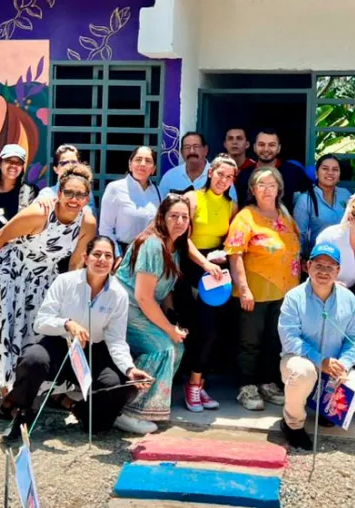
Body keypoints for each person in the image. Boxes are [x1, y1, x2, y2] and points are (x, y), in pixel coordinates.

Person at [1, 236, 153, 441]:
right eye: (96, 254)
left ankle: (79, 409)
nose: (102, 260)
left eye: (108, 255)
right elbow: (41, 321)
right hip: (59, 344)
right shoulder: (65, 281)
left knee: (123, 387)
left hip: (94, 350)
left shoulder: (118, 294)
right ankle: (22, 414)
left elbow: (116, 339)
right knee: (32, 360)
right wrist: (67, 324)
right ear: (85, 257)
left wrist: (130, 369)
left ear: (115, 261)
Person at [0, 164, 97, 390]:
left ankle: (27, 387)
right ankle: (7, 394)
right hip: (7, 273)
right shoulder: (39, 213)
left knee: (34, 333)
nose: (73, 199)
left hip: (42, 279)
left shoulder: (87, 223)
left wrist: (70, 297)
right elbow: (1, 237)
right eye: (68, 192)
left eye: (80, 194)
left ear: (87, 198)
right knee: (7, 333)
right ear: (58, 194)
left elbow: (74, 263)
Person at [277, 242, 355, 450]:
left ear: (338, 271)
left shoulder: (349, 299)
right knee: (303, 372)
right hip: (301, 362)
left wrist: (344, 365)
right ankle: (293, 423)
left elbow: (354, 338)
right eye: (319, 265)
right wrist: (321, 361)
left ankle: (324, 409)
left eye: (330, 267)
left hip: (335, 366)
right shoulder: (294, 297)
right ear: (308, 266)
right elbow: (289, 338)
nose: (324, 271)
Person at [114, 194, 194, 433]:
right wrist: (168, 329)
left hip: (145, 307)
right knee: (162, 347)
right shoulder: (152, 245)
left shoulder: (174, 246)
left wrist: (171, 316)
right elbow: (143, 296)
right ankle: (127, 409)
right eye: (174, 216)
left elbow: (163, 288)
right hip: (125, 308)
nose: (179, 221)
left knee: (177, 347)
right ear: (162, 217)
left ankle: (151, 405)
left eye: (184, 217)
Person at [226, 166, 302, 411]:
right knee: (250, 341)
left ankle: (267, 382)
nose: (267, 190)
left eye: (272, 185)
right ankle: (246, 386)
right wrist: (244, 288)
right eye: (262, 185)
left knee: (274, 339)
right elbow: (235, 254)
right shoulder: (246, 216)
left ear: (279, 188)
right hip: (255, 290)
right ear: (252, 189)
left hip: (285, 290)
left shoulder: (285, 214)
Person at [183, 154, 239, 412]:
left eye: (229, 177)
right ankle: (191, 384)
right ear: (210, 173)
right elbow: (184, 239)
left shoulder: (231, 206)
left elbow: (231, 241)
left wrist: (221, 257)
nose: (224, 180)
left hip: (218, 268)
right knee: (200, 329)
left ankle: (200, 383)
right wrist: (204, 263)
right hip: (194, 267)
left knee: (215, 330)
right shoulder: (192, 198)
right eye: (220, 174)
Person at [99, 145, 161, 253]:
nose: (142, 164)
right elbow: (105, 228)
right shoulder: (115, 188)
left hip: (150, 254)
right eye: (138, 159)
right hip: (123, 252)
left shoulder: (158, 192)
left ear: (153, 169)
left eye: (148, 161)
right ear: (130, 164)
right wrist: (117, 254)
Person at [234, 129, 310, 209]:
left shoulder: (294, 172)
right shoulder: (244, 175)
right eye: (261, 144)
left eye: (271, 145)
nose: (266, 149)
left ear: (279, 148)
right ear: (254, 147)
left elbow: (306, 205)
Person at [293, 154, 352, 257]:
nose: (330, 173)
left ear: (339, 176)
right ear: (316, 173)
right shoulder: (305, 200)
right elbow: (299, 235)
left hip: (344, 256)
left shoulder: (346, 195)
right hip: (317, 258)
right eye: (325, 168)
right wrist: (301, 259)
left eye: (335, 169)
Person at [158, 132, 237, 199]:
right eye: (187, 147)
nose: (192, 151)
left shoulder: (220, 175)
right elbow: (160, 206)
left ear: (205, 150)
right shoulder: (170, 177)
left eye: (196, 146)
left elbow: (232, 205)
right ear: (182, 152)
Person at [0, 144, 36, 241]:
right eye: (9, 161)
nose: (13, 165)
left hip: (17, 252)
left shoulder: (29, 192)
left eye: (18, 163)